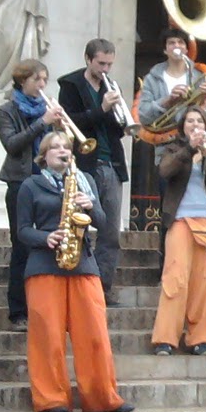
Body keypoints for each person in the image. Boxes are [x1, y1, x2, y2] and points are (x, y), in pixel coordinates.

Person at [16, 132, 132, 412]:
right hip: (44, 266)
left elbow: (103, 224)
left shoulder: (85, 180)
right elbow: (21, 231)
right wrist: (46, 237)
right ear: (43, 156)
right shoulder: (31, 185)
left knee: (94, 334)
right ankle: (51, 398)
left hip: (83, 263)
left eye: (66, 146)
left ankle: (102, 397)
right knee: (48, 336)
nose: (61, 150)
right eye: (54, 147)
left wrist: (91, 206)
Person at [150, 107, 206, 355]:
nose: (194, 125)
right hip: (181, 220)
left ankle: (199, 339)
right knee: (176, 278)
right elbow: (165, 172)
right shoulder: (174, 149)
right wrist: (189, 150)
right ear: (182, 126)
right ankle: (166, 338)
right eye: (189, 121)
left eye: (199, 121)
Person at [0, 58, 66, 330]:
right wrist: (42, 122)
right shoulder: (6, 111)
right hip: (20, 183)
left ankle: (47, 306)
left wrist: (58, 127)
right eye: (37, 80)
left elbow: (59, 145)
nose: (41, 86)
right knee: (23, 244)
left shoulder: (46, 109)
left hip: (48, 182)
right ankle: (18, 311)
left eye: (44, 80)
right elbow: (12, 144)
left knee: (51, 240)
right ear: (22, 80)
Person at [57, 39, 129, 305]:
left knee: (111, 230)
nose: (105, 69)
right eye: (101, 63)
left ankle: (102, 288)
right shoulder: (71, 85)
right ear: (88, 59)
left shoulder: (112, 86)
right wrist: (102, 109)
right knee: (80, 224)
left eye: (110, 64)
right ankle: (79, 286)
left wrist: (117, 112)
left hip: (111, 164)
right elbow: (70, 121)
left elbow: (119, 128)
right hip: (83, 164)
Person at [136, 26, 206, 140]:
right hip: (166, 146)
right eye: (171, 43)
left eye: (181, 42)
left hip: (196, 141)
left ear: (186, 49)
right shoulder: (152, 79)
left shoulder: (199, 76)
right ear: (165, 50)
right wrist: (168, 101)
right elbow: (144, 116)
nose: (177, 46)